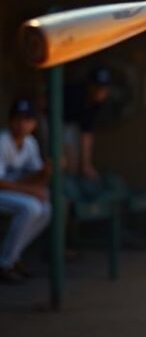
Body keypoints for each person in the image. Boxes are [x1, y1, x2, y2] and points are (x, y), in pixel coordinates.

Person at [0, 98, 51, 284]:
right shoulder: (2, 141)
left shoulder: (30, 143)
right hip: (4, 191)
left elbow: (33, 178)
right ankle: (5, 263)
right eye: (18, 119)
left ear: (34, 123)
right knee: (31, 207)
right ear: (10, 120)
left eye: (27, 119)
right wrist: (30, 190)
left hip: (12, 192)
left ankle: (13, 258)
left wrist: (48, 171)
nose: (22, 124)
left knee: (46, 208)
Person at [63, 66, 112, 181]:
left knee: (72, 163)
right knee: (64, 159)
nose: (99, 91)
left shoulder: (96, 103)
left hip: (69, 124)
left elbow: (86, 134)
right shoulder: (75, 93)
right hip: (51, 119)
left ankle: (70, 187)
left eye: (103, 88)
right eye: (97, 87)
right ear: (90, 85)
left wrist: (86, 164)